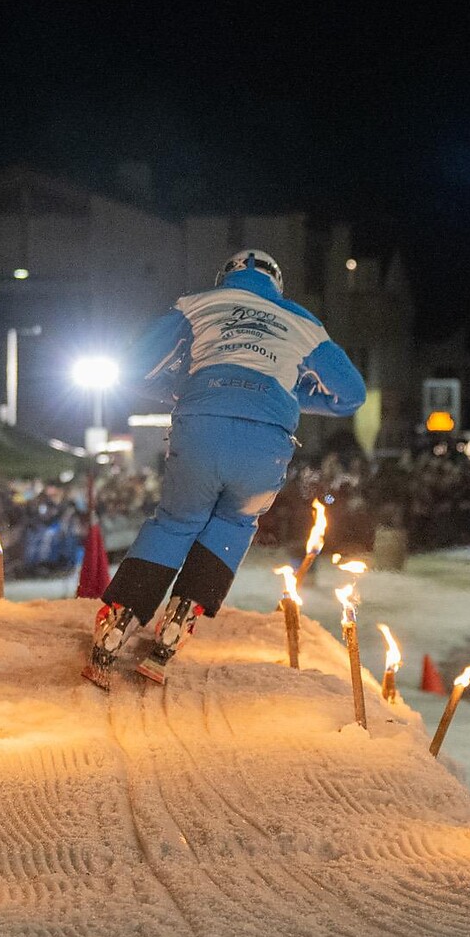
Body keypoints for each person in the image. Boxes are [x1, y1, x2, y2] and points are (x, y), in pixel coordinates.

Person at [87, 250, 366, 686]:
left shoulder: (195, 304)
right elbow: (352, 394)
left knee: (176, 523)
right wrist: (291, 396)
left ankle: (120, 618)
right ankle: (183, 615)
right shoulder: (303, 322)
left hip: (201, 427)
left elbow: (134, 365)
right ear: (278, 284)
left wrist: (184, 387)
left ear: (224, 278)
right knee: (235, 522)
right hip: (267, 442)